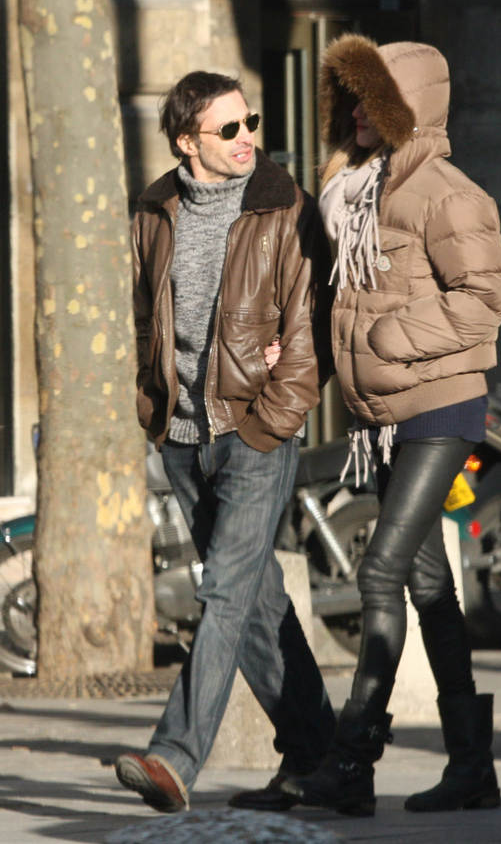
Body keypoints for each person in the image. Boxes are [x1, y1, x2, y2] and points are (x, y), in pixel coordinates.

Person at [278, 36, 501, 817]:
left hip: (441, 404)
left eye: (370, 97)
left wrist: (388, 340)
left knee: (379, 571)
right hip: (386, 415)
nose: (353, 112)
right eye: (347, 97)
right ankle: (473, 765)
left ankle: (351, 761)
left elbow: (483, 297)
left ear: (405, 105)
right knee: (425, 581)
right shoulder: (355, 194)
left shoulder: (446, 192)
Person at [115, 70, 336, 814]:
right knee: (254, 601)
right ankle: (324, 762)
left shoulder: (284, 206)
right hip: (182, 436)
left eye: (253, 123)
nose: (250, 140)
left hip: (254, 432)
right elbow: (144, 310)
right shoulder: (154, 207)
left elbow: (310, 328)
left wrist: (272, 417)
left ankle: (175, 756)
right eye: (230, 129)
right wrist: (152, 400)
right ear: (188, 141)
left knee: (224, 593)